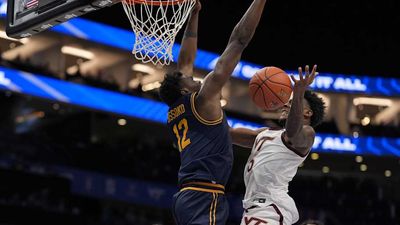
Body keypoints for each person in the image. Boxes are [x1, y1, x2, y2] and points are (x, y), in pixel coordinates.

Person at [158, 0, 268, 224]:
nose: (193, 77)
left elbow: (185, 62)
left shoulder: (177, 110)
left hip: (189, 195)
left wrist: (194, 15)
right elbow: (239, 39)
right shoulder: (203, 99)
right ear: (183, 89)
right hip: (202, 194)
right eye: (189, 79)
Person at [231, 65, 326, 225]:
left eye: (294, 102)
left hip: (271, 208)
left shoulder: (307, 133)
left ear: (307, 113)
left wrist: (299, 92)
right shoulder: (264, 133)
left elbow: (292, 133)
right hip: (253, 209)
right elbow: (226, 133)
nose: (286, 105)